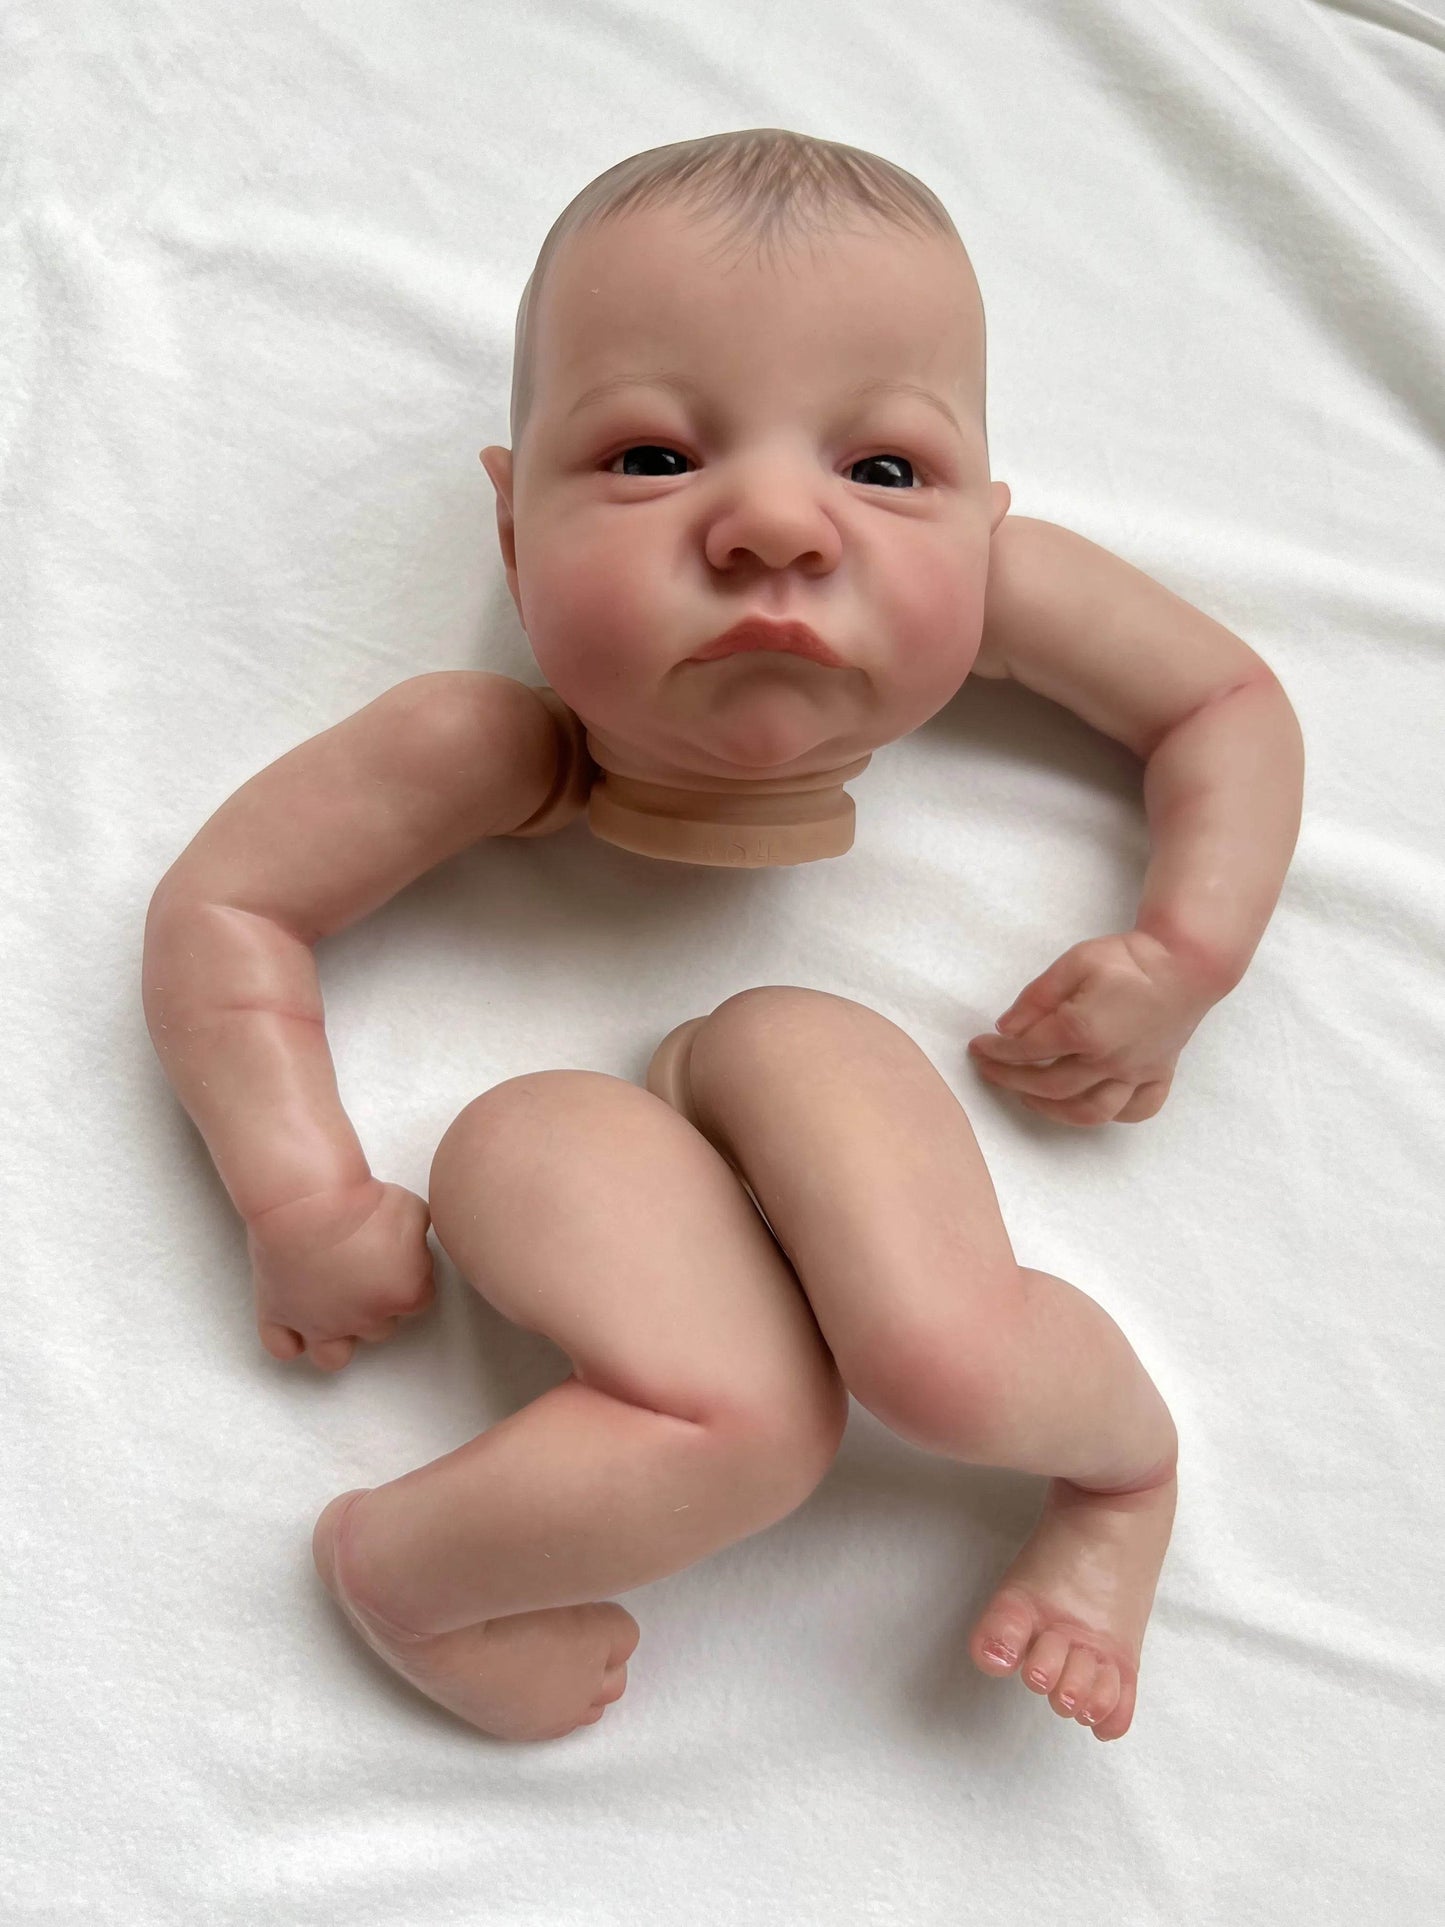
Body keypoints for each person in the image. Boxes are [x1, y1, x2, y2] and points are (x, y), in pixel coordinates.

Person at [142, 129, 1304, 1743]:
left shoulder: (1005, 590)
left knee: (940, 1355)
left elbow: (1223, 700)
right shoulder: (472, 745)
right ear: (511, 528)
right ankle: (405, 1572)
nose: (771, 524)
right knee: (746, 1427)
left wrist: (1186, 953)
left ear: (982, 535)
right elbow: (227, 908)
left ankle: (1119, 1477)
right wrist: (297, 1193)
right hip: (544, 1145)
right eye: (651, 458)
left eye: (882, 471)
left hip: (801, 1056)